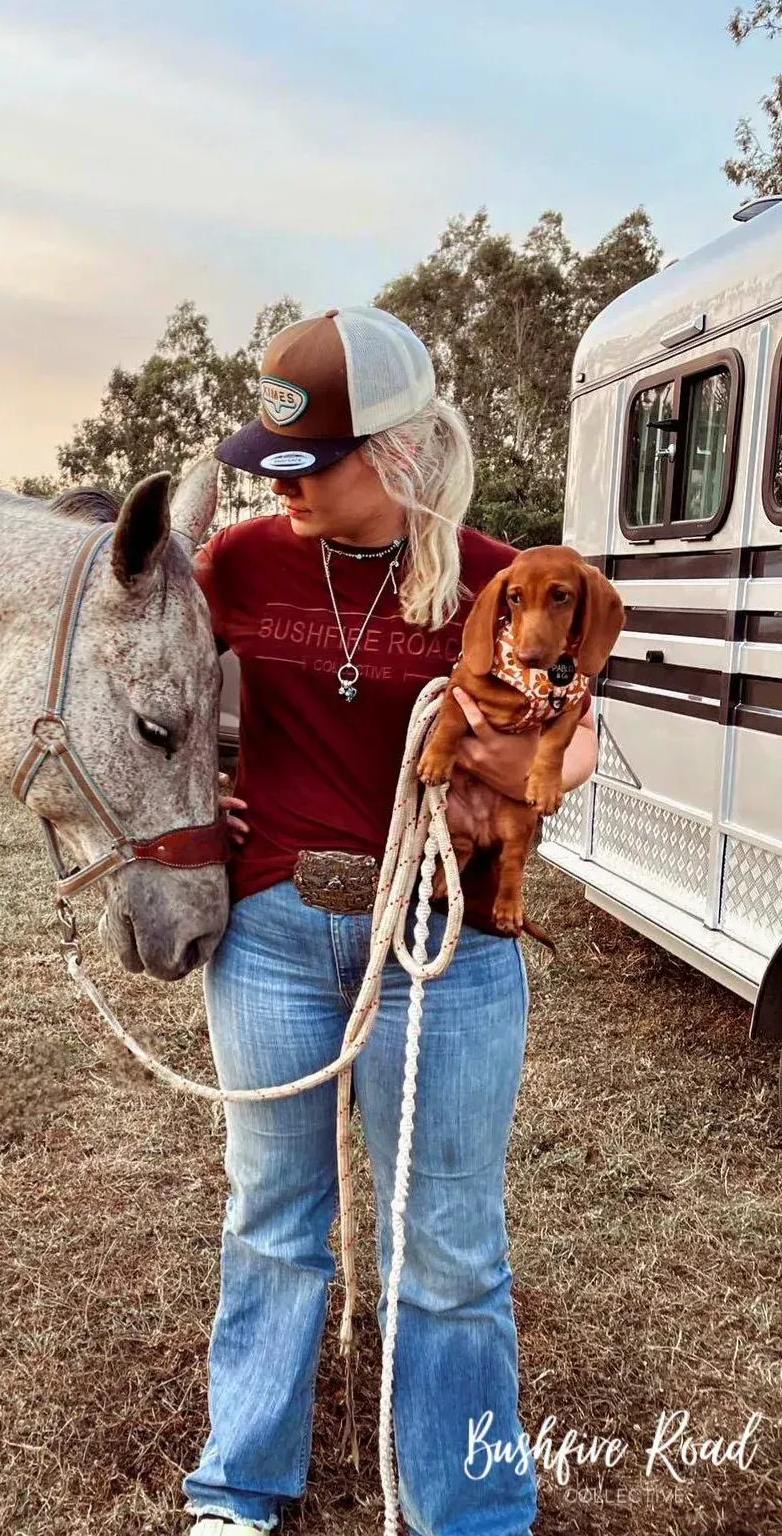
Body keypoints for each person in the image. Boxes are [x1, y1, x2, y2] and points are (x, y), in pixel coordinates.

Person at [181, 306, 597, 1536]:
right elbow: (144, 673)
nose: (283, 487)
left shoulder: (496, 579)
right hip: (274, 934)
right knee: (272, 1214)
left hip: (446, 945)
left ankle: (470, 1509)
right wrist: (184, 780)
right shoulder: (240, 565)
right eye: (276, 461)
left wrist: (513, 785)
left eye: (313, 465)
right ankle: (238, 1485)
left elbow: (576, 728)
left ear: (397, 453)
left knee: (452, 1243)